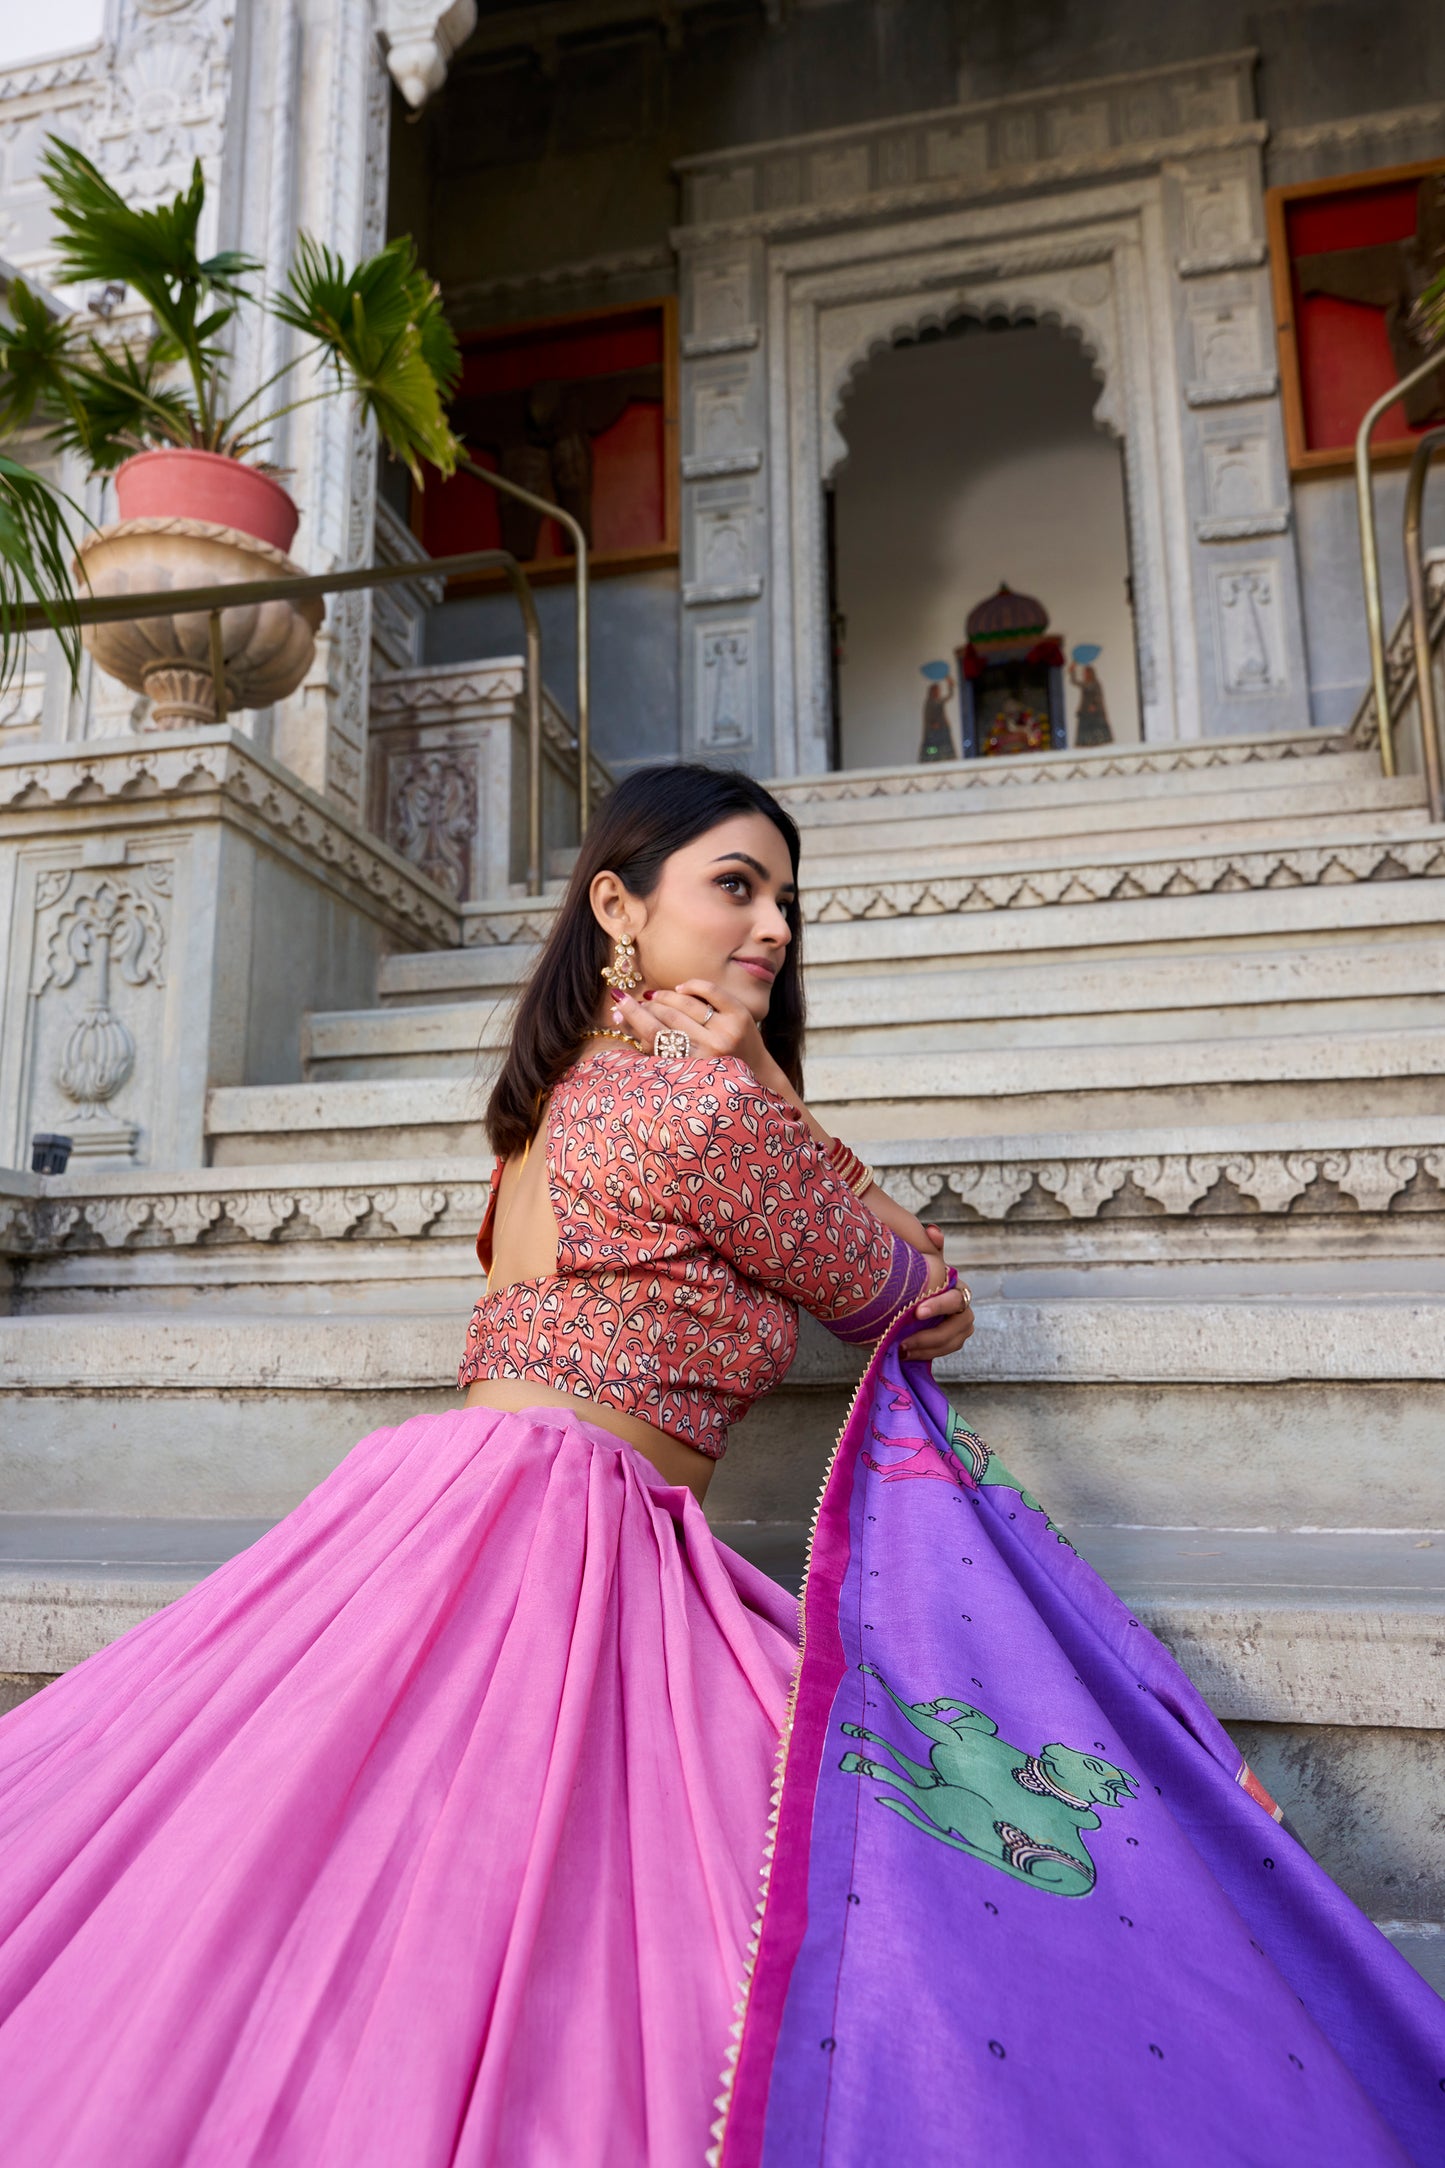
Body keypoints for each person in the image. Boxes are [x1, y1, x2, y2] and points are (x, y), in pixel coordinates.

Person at [0, 764, 971, 2167]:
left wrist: (760, 1086)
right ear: (616, 907)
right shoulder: (705, 1112)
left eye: (784, 898)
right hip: (572, 1526)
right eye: (736, 886)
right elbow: (908, 1294)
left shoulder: (556, 1102)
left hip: (455, 1491)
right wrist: (767, 1087)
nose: (773, 926)